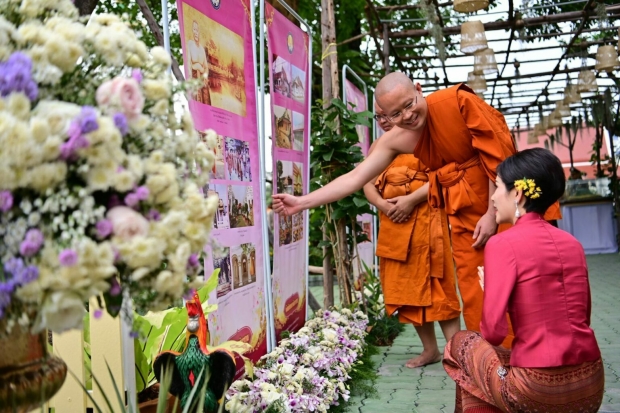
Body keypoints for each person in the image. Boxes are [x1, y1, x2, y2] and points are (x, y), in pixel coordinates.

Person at [274, 72, 558, 345]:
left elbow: (497, 156)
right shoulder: (397, 138)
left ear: (419, 90)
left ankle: (540, 350)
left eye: (409, 104)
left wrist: (491, 214)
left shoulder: (456, 103)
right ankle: (497, 359)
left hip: (505, 202)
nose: (407, 116)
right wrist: (302, 202)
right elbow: (355, 178)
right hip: (463, 214)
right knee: (477, 288)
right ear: (385, 116)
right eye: (396, 114)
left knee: (524, 278)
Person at [442, 148, 604, 413]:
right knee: (484, 371)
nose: (492, 197)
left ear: (517, 194)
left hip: (537, 390)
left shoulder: (502, 244)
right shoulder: (573, 243)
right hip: (590, 385)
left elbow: (493, 333)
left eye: (497, 187)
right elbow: (582, 317)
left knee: (461, 344)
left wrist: (492, 291)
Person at [364, 103, 461, 367]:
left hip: (428, 223)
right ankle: (430, 350)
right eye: (379, 116)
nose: (385, 121)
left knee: (439, 290)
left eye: (390, 114)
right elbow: (366, 183)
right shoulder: (379, 146)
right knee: (409, 293)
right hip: (396, 226)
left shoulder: (424, 137)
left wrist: (410, 200)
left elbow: (441, 177)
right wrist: (383, 204)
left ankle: (458, 353)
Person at [187, 20, 211, 105]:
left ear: (199, 32)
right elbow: (188, 63)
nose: (196, 32)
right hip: (194, 79)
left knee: (206, 106)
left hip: (202, 82)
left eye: (197, 30)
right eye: (194, 29)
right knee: (195, 105)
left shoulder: (201, 49)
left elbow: (206, 67)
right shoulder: (190, 44)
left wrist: (205, 76)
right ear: (192, 30)